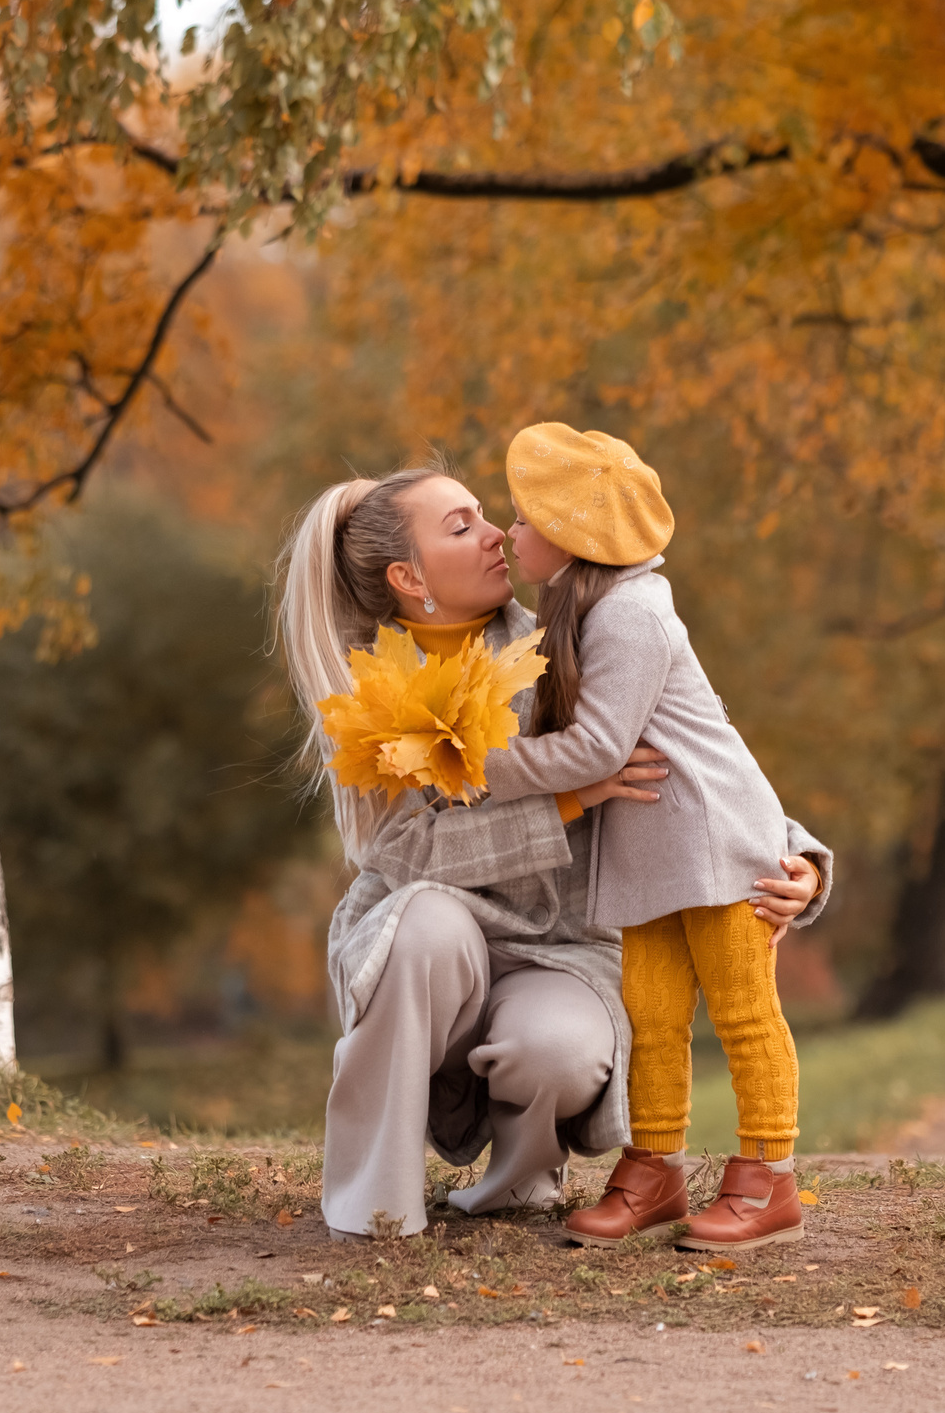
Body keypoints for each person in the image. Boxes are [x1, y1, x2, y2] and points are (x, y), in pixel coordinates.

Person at [275, 464, 825, 1238]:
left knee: (558, 1048)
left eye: (484, 513)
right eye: (462, 525)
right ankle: (374, 1201)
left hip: (562, 949)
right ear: (409, 577)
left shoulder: (571, 640)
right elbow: (405, 852)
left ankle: (522, 1179)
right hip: (430, 953)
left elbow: (699, 745)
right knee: (425, 920)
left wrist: (800, 859)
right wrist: (567, 797)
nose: (496, 533)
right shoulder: (370, 695)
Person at [481, 424, 829, 1252]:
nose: (511, 531)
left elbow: (598, 751)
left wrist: (482, 764)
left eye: (524, 517)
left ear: (570, 533)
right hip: (652, 860)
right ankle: (655, 1168)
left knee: (745, 1014)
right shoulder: (585, 611)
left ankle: (768, 1179)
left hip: (717, 848)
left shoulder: (632, 614)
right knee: (654, 1017)